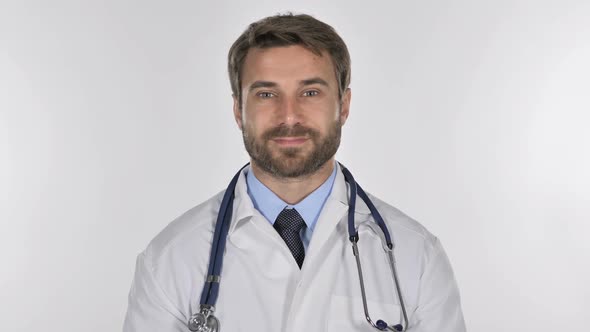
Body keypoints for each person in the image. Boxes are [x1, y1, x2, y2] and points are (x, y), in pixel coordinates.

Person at [123, 13, 466, 332]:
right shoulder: (170, 261)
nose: (289, 116)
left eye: (310, 92)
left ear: (343, 106)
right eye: (267, 93)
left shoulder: (415, 256)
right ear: (238, 110)